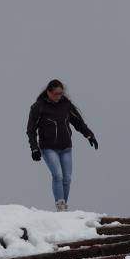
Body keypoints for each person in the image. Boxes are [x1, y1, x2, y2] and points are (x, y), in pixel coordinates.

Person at [26, 79, 98, 211]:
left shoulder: (66, 105)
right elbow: (31, 130)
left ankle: (64, 206)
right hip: (48, 148)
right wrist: (34, 148)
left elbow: (78, 123)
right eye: (55, 94)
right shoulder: (38, 107)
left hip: (66, 148)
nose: (58, 96)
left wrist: (90, 135)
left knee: (67, 178)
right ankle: (60, 204)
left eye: (60, 93)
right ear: (48, 92)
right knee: (57, 175)